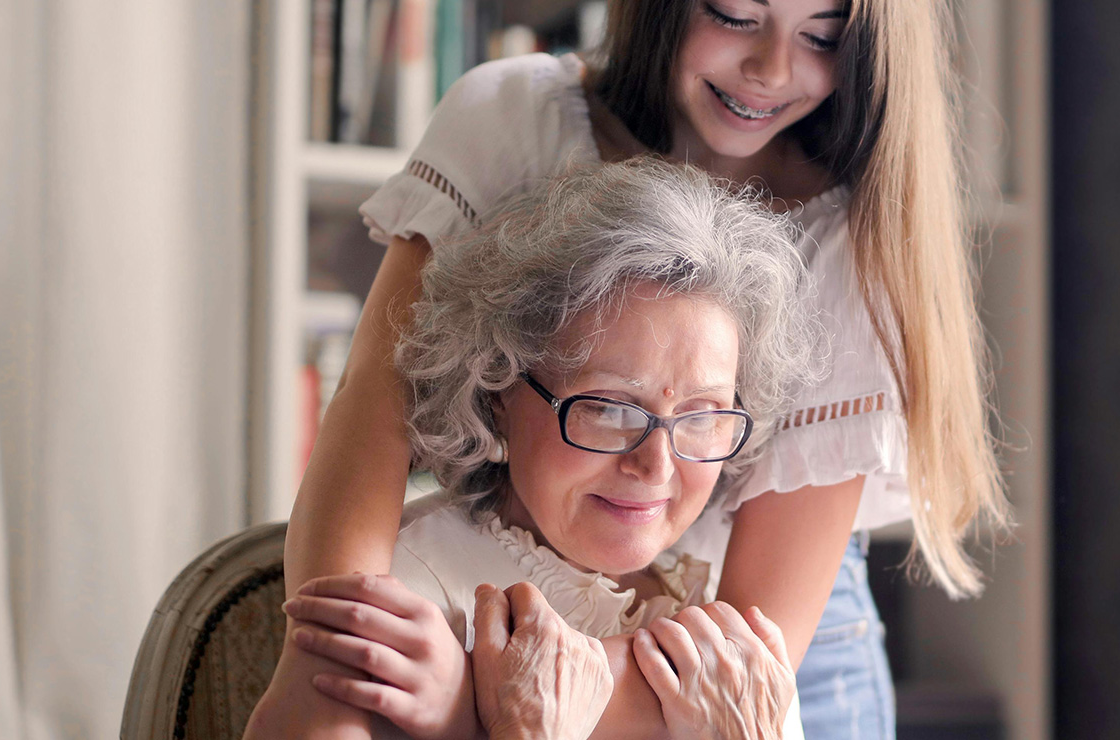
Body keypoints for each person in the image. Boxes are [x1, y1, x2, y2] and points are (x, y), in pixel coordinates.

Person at [252, 1, 1010, 737]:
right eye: (736, 16)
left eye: (822, 35)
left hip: (760, 636)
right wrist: (337, 637)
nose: (772, 70)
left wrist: (465, 691)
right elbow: (375, 402)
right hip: (534, 594)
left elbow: (733, 671)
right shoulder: (518, 118)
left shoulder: (852, 238)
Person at [249, 159, 817, 739]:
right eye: (608, 408)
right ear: (498, 389)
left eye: (702, 416)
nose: (657, 465)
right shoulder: (408, 596)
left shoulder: (729, 638)